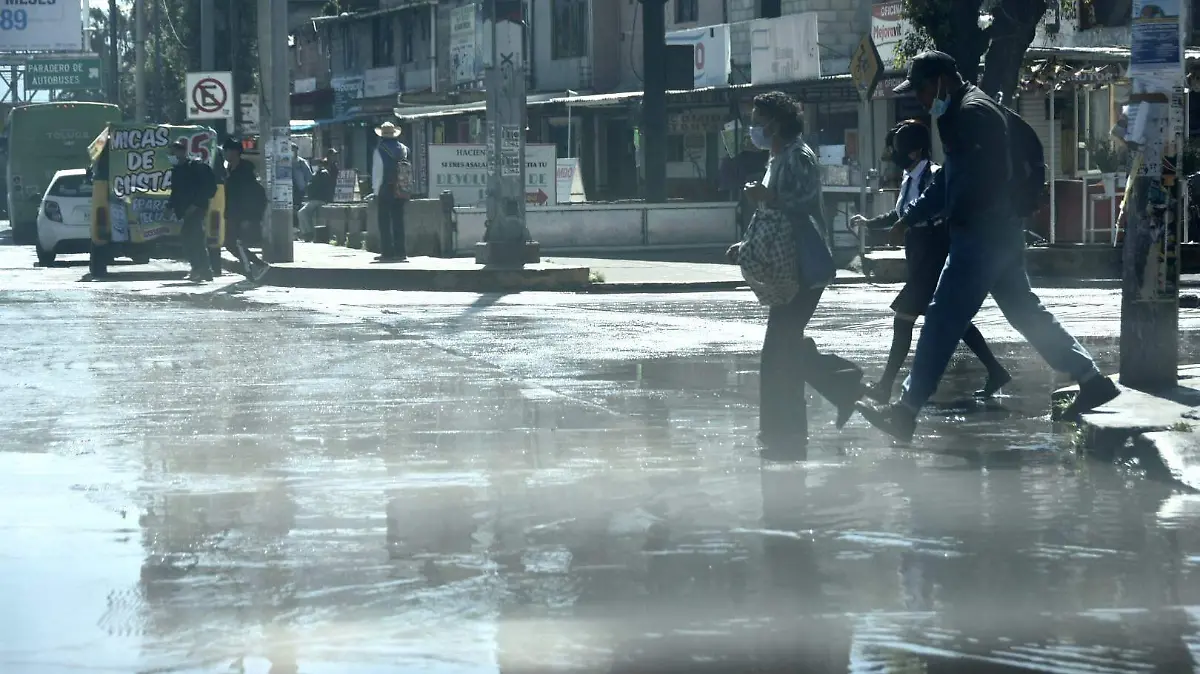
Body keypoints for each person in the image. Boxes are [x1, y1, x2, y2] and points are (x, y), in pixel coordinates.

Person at [855, 51, 1120, 442]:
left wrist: (960, 216)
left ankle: (906, 411)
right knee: (1026, 313)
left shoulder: (971, 113)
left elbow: (983, 179)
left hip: (981, 234)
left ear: (942, 79)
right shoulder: (968, 108)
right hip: (996, 232)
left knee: (942, 319)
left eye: (924, 90)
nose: (923, 101)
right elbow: (950, 178)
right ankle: (1091, 379)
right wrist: (908, 217)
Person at [727, 91, 865, 450]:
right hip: (784, 262)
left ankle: (786, 429)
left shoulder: (798, 156)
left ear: (777, 122)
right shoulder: (777, 157)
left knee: (778, 349)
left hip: (801, 263)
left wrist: (767, 197)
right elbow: (773, 216)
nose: (754, 127)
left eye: (760, 119)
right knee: (782, 346)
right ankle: (836, 389)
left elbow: (798, 204)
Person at [851, 119, 1011, 402]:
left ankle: (886, 386)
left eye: (899, 149)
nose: (894, 155)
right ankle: (996, 370)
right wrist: (870, 224)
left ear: (914, 152)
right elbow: (903, 214)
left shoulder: (934, 176)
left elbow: (932, 211)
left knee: (903, 321)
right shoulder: (909, 177)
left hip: (934, 252)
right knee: (952, 318)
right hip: (918, 252)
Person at [166, 137, 218, 283]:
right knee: (194, 240)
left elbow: (206, 189)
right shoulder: (177, 170)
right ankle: (204, 271)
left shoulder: (194, 167)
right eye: (170, 153)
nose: (172, 156)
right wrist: (170, 207)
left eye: (174, 152)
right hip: (185, 211)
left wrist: (195, 205)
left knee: (191, 239)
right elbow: (176, 192)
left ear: (183, 152)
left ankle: (199, 269)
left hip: (196, 210)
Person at [221, 138, 268, 278]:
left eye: (227, 150)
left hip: (243, 215)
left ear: (235, 152)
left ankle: (250, 271)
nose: (225, 153)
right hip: (232, 213)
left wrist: (249, 217)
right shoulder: (230, 170)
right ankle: (258, 265)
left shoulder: (244, 174)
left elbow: (252, 197)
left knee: (235, 243)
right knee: (231, 244)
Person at [371, 121, 411, 262]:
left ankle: (387, 252)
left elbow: (378, 173)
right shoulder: (404, 149)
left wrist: (376, 192)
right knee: (399, 220)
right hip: (401, 188)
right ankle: (401, 251)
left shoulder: (380, 150)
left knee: (384, 221)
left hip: (386, 188)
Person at [299, 154, 336, 241]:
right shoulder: (317, 174)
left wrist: (309, 186)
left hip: (319, 199)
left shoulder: (322, 174)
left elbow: (315, 187)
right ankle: (306, 232)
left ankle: (308, 233)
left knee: (302, 212)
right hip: (315, 199)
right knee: (303, 212)